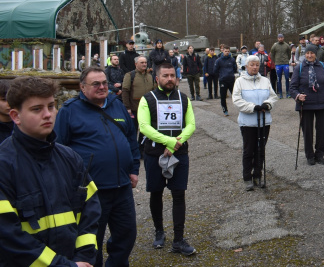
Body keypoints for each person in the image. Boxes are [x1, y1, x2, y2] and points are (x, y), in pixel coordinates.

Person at [0, 76, 101, 267]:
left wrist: (84, 258)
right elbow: (8, 237)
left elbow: (91, 211)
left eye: (51, 106)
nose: (48, 114)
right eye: (37, 109)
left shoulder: (69, 157)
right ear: (15, 116)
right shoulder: (4, 165)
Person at [55, 67, 140, 267]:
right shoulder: (69, 110)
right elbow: (58, 149)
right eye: (96, 84)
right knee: (92, 240)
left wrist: (134, 169)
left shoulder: (116, 105)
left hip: (122, 186)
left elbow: (130, 138)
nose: (102, 87)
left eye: (104, 83)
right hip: (91, 191)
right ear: (82, 87)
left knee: (127, 234)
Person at [137, 63, 197, 256]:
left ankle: (178, 239)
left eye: (172, 75)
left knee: (179, 195)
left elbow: (191, 125)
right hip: (154, 154)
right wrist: (169, 142)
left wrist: (175, 144)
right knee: (156, 193)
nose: (169, 79)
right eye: (165, 76)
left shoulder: (184, 98)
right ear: (157, 78)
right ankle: (159, 232)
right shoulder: (147, 99)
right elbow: (144, 127)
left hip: (179, 154)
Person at [232, 55, 279, 190]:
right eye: (252, 65)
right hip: (248, 122)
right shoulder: (240, 81)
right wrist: (253, 107)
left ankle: (257, 175)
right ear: (246, 66)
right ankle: (247, 177)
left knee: (260, 149)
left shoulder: (265, 80)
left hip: (264, 121)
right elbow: (237, 101)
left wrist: (267, 104)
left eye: (257, 65)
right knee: (248, 150)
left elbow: (273, 97)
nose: (254, 67)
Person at [289, 44, 324, 165]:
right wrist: (298, 96)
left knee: (322, 131)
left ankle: (319, 155)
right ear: (305, 54)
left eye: (312, 53)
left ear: (316, 54)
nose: (309, 55)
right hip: (306, 104)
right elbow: (292, 87)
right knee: (307, 131)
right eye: (307, 53)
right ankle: (309, 155)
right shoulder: (299, 68)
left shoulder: (323, 66)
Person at [122, 56, 156, 160]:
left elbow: (154, 91)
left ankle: (141, 150)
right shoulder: (130, 75)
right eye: (142, 62)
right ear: (136, 64)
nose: (144, 64)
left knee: (144, 131)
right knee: (133, 131)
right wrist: (127, 107)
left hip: (147, 109)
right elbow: (125, 90)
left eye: (145, 62)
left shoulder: (150, 76)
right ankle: (132, 152)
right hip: (134, 108)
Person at [215, 44, 238, 116]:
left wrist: (231, 74)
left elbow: (235, 68)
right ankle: (225, 110)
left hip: (231, 79)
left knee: (235, 95)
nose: (227, 52)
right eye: (226, 51)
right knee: (223, 96)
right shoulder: (219, 60)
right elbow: (215, 70)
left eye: (228, 51)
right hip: (223, 80)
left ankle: (240, 109)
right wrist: (221, 76)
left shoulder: (232, 59)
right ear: (223, 51)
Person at [270, 34, 292, 98]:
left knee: (287, 78)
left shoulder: (287, 45)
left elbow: (289, 54)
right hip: (278, 64)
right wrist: (275, 61)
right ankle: (280, 94)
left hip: (285, 64)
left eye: (281, 38)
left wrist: (287, 60)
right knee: (279, 79)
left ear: (283, 38)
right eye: (279, 38)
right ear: (277, 38)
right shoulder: (275, 46)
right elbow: (272, 54)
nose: (280, 39)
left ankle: (288, 93)